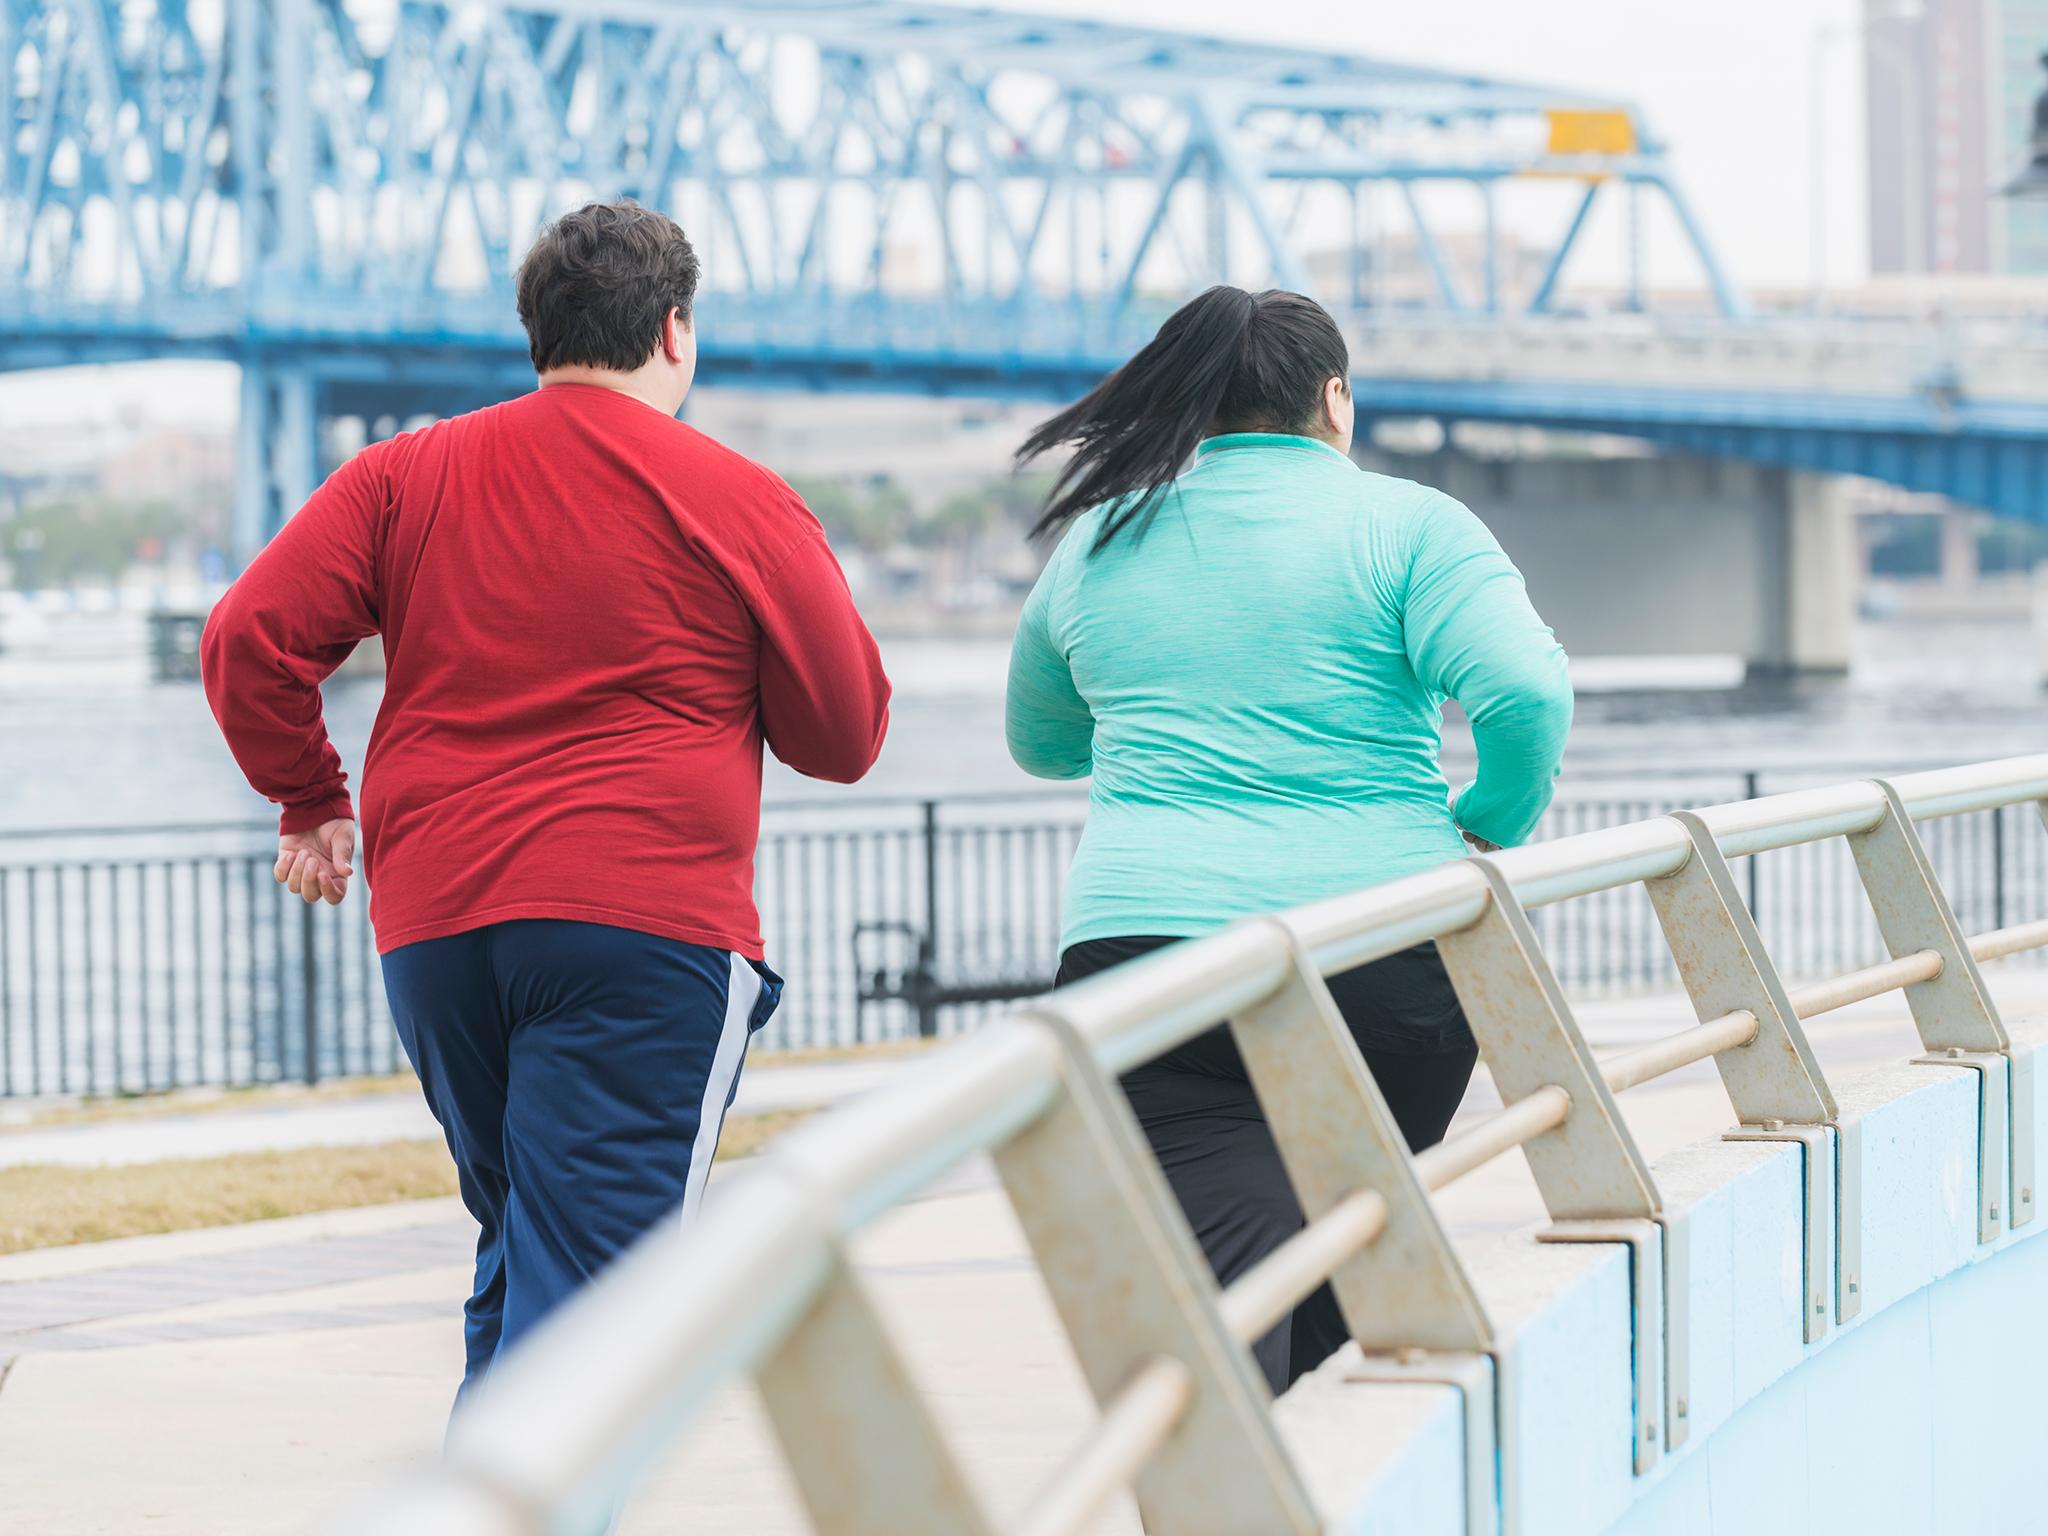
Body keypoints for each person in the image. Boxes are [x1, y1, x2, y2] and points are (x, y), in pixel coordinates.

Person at [201, 200, 891, 1403]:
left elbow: (248, 639)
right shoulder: (739, 498)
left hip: (438, 934)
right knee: (603, 1328)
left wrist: (310, 795)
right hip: (642, 932)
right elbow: (841, 737)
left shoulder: (398, 475)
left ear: (536, 330)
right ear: (675, 331)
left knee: (526, 1260)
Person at [1005, 285, 1571, 1395]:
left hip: (1145, 961)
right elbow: (1522, 694)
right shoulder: (1409, 526)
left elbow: (1040, 742)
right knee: (1340, 1269)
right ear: (1335, 400)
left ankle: (1241, 1480)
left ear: (1195, 405)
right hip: (1378, 957)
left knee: (1237, 1273)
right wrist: (1487, 820)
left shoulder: (1097, 542)